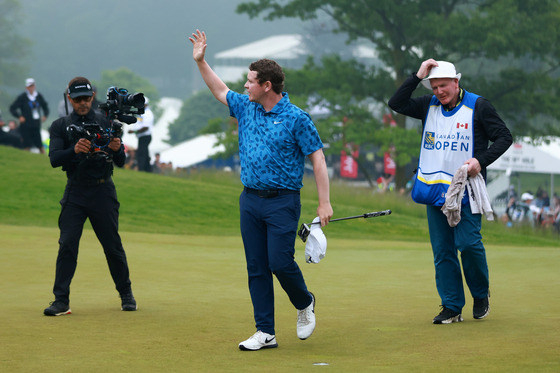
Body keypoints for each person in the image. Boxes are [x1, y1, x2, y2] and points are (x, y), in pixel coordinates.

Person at [189, 30, 333, 350]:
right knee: (256, 266)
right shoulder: (246, 107)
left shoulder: (297, 118)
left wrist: (324, 203)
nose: (245, 85)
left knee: (279, 262)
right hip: (250, 200)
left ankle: (304, 302)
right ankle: (265, 331)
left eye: (250, 80)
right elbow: (220, 90)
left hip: (282, 201)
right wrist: (201, 61)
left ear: (266, 85)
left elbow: (318, 159)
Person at [388, 59, 512, 324]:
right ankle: (452, 306)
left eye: (443, 85)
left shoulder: (479, 106)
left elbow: (504, 137)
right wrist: (418, 75)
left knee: (467, 243)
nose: (439, 92)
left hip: (466, 190)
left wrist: (481, 160)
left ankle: (480, 294)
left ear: (456, 82)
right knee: (443, 251)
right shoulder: (427, 105)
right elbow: (396, 103)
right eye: (434, 87)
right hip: (434, 190)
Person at [44, 76, 136, 316]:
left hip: (103, 190)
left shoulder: (107, 120)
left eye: (86, 98)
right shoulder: (60, 125)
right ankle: (61, 300)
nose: (82, 103)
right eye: (77, 100)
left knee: (112, 246)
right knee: (67, 245)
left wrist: (117, 148)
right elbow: (54, 159)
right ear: (69, 99)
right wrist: (73, 150)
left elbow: (121, 161)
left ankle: (126, 294)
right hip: (75, 191)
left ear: (92, 97)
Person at [9, 78, 49, 153]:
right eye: (29, 86)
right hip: (25, 124)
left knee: (39, 144)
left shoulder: (38, 96)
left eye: (32, 86)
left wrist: (45, 115)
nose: (31, 88)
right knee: (27, 145)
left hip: (36, 123)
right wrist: (19, 116)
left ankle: (44, 158)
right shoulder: (22, 97)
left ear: (34, 86)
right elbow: (12, 108)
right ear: (26, 87)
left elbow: (45, 106)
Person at [128, 97, 153, 172]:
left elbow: (146, 127)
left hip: (145, 136)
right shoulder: (142, 113)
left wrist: (134, 131)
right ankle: (148, 170)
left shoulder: (148, 113)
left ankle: (141, 169)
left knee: (141, 154)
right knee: (145, 153)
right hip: (142, 136)